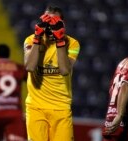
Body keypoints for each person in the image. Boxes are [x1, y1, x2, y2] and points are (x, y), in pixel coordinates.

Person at [23, 5, 80, 141]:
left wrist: (59, 40)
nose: (49, 25)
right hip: (36, 107)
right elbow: (30, 67)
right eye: (47, 21)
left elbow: (65, 70)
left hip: (61, 108)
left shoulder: (72, 43)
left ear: (62, 24)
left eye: (53, 22)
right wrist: (38, 38)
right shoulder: (31, 40)